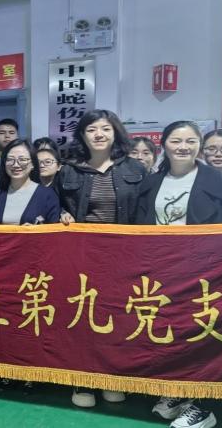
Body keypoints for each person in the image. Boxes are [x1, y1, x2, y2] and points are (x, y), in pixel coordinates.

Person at [136, 121, 222, 428]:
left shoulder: (218, 181)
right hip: (161, 272)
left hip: (204, 272)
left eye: (191, 141)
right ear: (164, 145)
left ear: (199, 146)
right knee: (169, 335)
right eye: (176, 141)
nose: (183, 147)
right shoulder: (152, 183)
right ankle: (177, 391)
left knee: (201, 337)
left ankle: (203, 406)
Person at [56, 109, 146, 408]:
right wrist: (62, 214)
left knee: (118, 317)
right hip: (81, 256)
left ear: (115, 132)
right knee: (82, 316)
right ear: (82, 135)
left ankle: (112, 377)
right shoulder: (69, 170)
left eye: (105, 128)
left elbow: (145, 212)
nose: (99, 134)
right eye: (91, 129)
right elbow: (55, 205)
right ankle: (83, 380)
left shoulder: (134, 168)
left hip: (123, 257)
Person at [0, 139, 60, 225]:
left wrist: (36, 230)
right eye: (10, 159)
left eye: (22, 159)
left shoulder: (48, 196)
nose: (16, 165)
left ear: (33, 164)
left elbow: (54, 229)